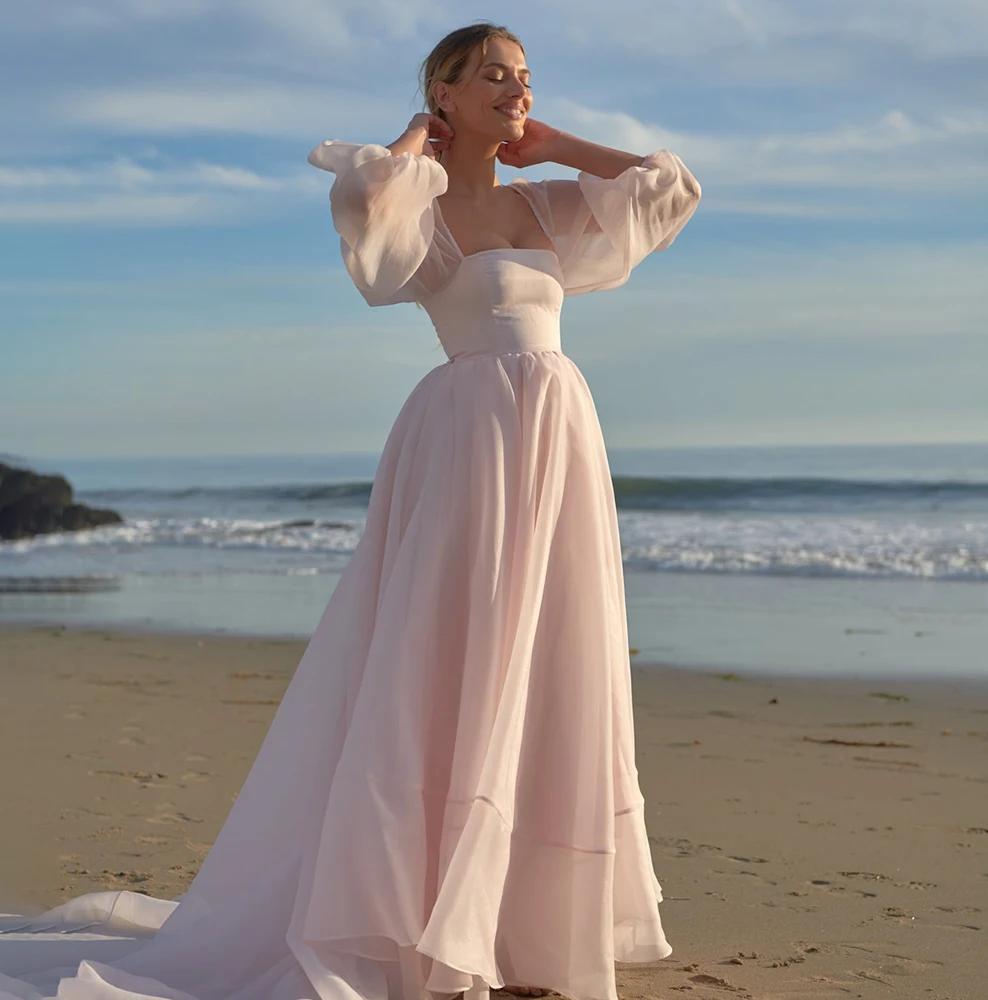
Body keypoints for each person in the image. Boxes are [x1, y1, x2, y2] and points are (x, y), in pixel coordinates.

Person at [0, 20, 700, 1000]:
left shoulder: (546, 202)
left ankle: (520, 924)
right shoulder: (419, 210)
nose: (517, 90)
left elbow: (668, 192)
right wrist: (420, 139)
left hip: (557, 442)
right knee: (457, 656)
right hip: (469, 444)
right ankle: (424, 918)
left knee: (548, 655)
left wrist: (559, 143)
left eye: (526, 76)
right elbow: (363, 203)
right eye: (492, 75)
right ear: (445, 93)